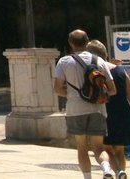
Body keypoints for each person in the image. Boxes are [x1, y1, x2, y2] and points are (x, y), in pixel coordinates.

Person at [53, 29, 117, 179]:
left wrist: (72, 95)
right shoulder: (99, 61)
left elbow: (57, 89)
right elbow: (113, 90)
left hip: (75, 109)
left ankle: (87, 177)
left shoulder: (64, 62)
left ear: (70, 43)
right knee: (98, 147)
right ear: (87, 42)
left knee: (81, 147)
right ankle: (106, 168)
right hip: (98, 109)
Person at [86, 40, 130, 179]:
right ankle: (121, 172)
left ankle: (117, 171)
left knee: (106, 149)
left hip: (104, 113)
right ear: (105, 54)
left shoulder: (95, 73)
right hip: (123, 113)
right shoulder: (121, 71)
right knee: (119, 150)